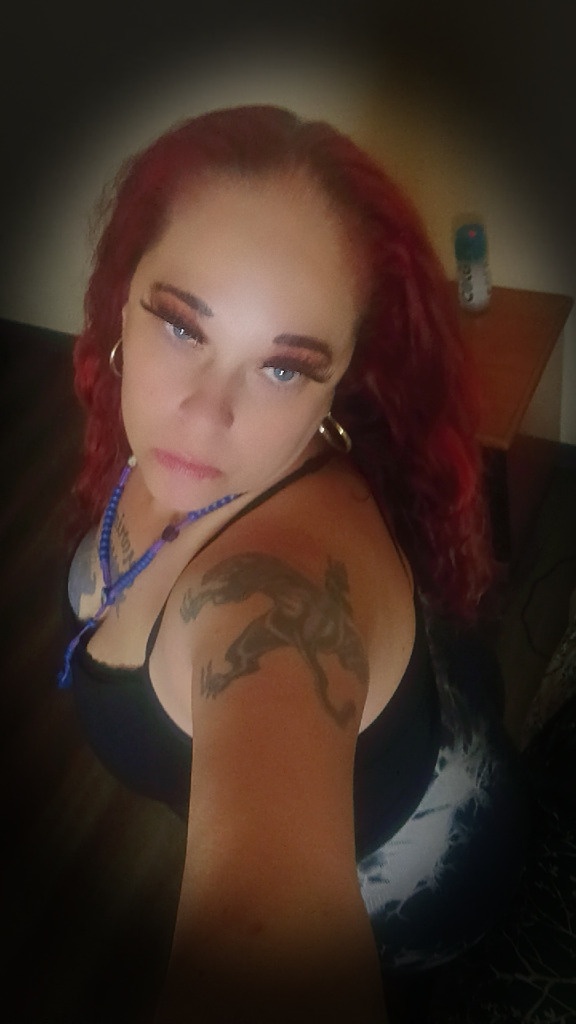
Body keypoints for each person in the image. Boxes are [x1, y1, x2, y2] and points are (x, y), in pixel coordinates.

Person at [60, 105, 530, 1022]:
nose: (206, 416)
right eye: (182, 328)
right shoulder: (171, 458)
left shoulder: (270, 596)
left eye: (283, 368)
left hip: (430, 894)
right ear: (123, 296)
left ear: (337, 384)